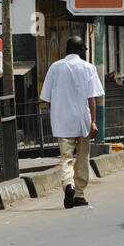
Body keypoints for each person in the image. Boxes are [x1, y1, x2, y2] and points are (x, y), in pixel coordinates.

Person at [40, 35, 103, 209]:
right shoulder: (88, 68)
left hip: (62, 121)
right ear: (82, 50)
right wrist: (94, 122)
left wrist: (58, 110)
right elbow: (92, 98)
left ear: (66, 50)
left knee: (66, 158)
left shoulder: (55, 68)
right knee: (83, 157)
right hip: (83, 120)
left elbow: (46, 97)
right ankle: (80, 195)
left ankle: (69, 184)